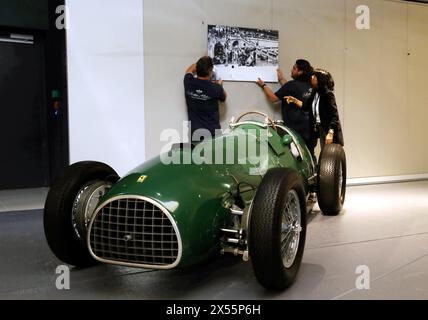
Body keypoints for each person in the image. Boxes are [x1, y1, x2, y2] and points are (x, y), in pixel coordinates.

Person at [285, 68, 344, 157]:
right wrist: (294, 100)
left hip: (328, 129)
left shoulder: (328, 95)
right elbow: (305, 106)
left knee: (330, 155)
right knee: (324, 152)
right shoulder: (314, 93)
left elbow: (334, 116)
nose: (312, 77)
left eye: (314, 76)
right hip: (319, 128)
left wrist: (331, 132)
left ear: (319, 79)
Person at [256, 59, 314, 148]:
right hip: (309, 130)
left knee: (294, 156)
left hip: (295, 130)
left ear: (300, 72)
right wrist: (281, 79)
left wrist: (263, 85)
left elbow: (273, 98)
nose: (291, 70)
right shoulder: (310, 86)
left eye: (294, 68)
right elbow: (292, 90)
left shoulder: (291, 85)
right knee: (309, 155)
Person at [184, 56, 227, 141]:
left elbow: (189, 70)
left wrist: (202, 63)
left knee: (196, 154)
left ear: (197, 68)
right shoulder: (216, 88)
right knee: (214, 154)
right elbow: (224, 97)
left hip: (195, 133)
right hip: (213, 133)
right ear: (210, 70)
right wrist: (220, 85)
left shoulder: (188, 82)